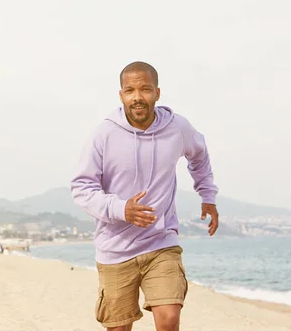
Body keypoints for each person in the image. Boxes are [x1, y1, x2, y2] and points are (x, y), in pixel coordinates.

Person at [70, 61, 219, 331]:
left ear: (157, 93)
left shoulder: (177, 128)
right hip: (115, 249)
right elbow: (81, 186)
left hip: (160, 242)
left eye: (145, 89)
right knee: (119, 328)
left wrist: (207, 194)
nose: (137, 97)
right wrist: (120, 209)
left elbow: (199, 156)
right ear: (121, 96)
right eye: (130, 90)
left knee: (169, 315)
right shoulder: (104, 134)